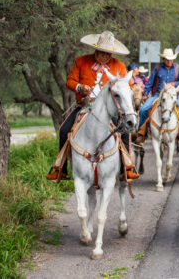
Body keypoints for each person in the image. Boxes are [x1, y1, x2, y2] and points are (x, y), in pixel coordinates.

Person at [45, 31, 139, 181]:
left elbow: (126, 88)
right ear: (96, 49)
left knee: (124, 132)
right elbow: (70, 81)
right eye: (102, 52)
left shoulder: (119, 66)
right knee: (64, 130)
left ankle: (126, 168)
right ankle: (60, 169)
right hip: (85, 106)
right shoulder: (81, 61)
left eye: (108, 53)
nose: (105, 56)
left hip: (110, 109)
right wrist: (80, 88)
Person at [135, 48, 179, 142]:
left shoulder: (177, 68)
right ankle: (141, 132)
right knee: (143, 109)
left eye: (171, 59)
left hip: (172, 95)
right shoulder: (158, 68)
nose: (169, 61)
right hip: (158, 94)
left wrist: (174, 84)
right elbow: (150, 81)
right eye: (167, 59)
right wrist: (145, 93)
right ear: (163, 59)